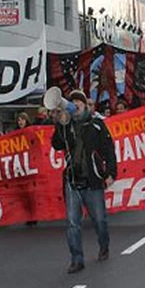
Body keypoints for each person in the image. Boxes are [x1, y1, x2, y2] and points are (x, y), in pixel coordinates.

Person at [52, 90, 118, 273]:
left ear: (84, 105)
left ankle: (104, 245)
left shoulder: (96, 125)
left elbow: (108, 150)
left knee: (99, 220)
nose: (75, 105)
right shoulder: (67, 125)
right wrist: (60, 124)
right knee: (73, 223)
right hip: (72, 181)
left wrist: (111, 173)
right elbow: (57, 144)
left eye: (77, 102)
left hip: (93, 181)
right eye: (71, 102)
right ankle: (76, 259)